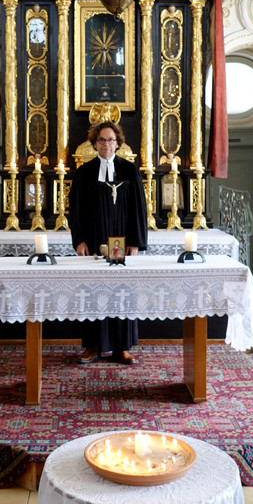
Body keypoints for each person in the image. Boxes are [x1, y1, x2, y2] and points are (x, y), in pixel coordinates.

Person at [69, 121, 148, 365]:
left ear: (118, 143)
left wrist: (135, 241)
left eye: (111, 139)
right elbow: (76, 209)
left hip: (121, 241)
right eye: (102, 140)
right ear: (94, 143)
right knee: (93, 291)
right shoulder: (84, 172)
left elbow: (139, 208)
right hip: (94, 240)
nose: (106, 144)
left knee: (122, 291)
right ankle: (93, 346)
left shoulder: (129, 170)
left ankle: (121, 348)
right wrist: (79, 240)